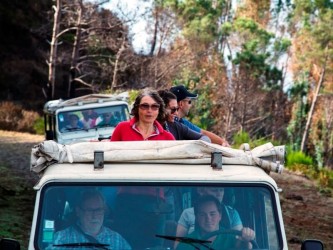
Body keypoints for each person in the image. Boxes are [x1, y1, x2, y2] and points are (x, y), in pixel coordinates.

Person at [52, 189, 131, 250]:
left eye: (99, 210)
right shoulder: (62, 238)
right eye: (89, 211)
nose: (94, 216)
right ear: (78, 211)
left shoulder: (117, 239)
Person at [175, 187, 251, 249]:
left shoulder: (231, 238)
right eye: (202, 214)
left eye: (212, 214)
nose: (208, 218)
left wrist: (246, 238)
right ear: (197, 217)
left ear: (220, 215)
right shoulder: (185, 244)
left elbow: (244, 247)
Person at [110, 88, 175, 141]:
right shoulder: (122, 128)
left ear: (159, 110)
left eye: (154, 106)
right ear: (137, 108)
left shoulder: (167, 138)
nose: (149, 110)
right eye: (145, 106)